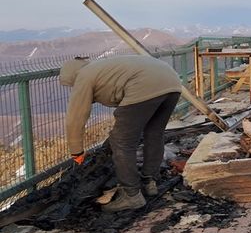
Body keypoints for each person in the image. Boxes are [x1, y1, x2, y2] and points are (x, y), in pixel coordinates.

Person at [60, 55, 183, 212]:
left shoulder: (84, 76)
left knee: (121, 141)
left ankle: (132, 195)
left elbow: (75, 117)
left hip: (143, 86)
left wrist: (76, 151)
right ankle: (149, 182)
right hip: (172, 83)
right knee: (154, 133)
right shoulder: (102, 68)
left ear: (73, 76)